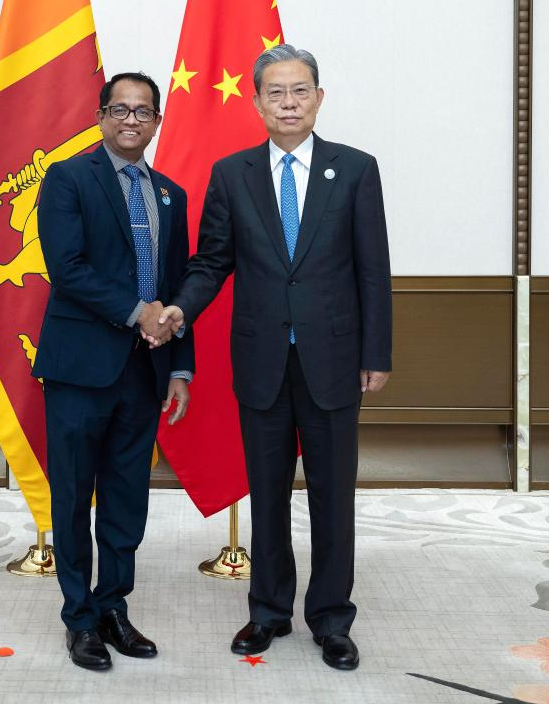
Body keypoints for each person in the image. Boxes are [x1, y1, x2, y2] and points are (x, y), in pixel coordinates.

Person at [159, 45, 391, 671]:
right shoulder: (232, 174)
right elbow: (212, 261)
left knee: (333, 495)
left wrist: (376, 352)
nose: (289, 103)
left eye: (300, 91)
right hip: (261, 358)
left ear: (319, 97)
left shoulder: (355, 169)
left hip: (334, 358)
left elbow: (373, 269)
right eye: (276, 93)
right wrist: (180, 308)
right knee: (266, 493)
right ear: (257, 102)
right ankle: (267, 611)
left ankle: (332, 619)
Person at [33, 72, 194, 672]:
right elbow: (67, 268)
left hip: (145, 370)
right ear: (101, 116)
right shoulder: (68, 178)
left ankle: (112, 607)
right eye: (120, 109)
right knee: (74, 495)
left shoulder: (171, 194)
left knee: (127, 498)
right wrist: (137, 312)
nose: (131, 120)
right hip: (80, 368)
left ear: (157, 122)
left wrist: (180, 366)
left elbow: (178, 285)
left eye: (142, 111)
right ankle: (79, 619)